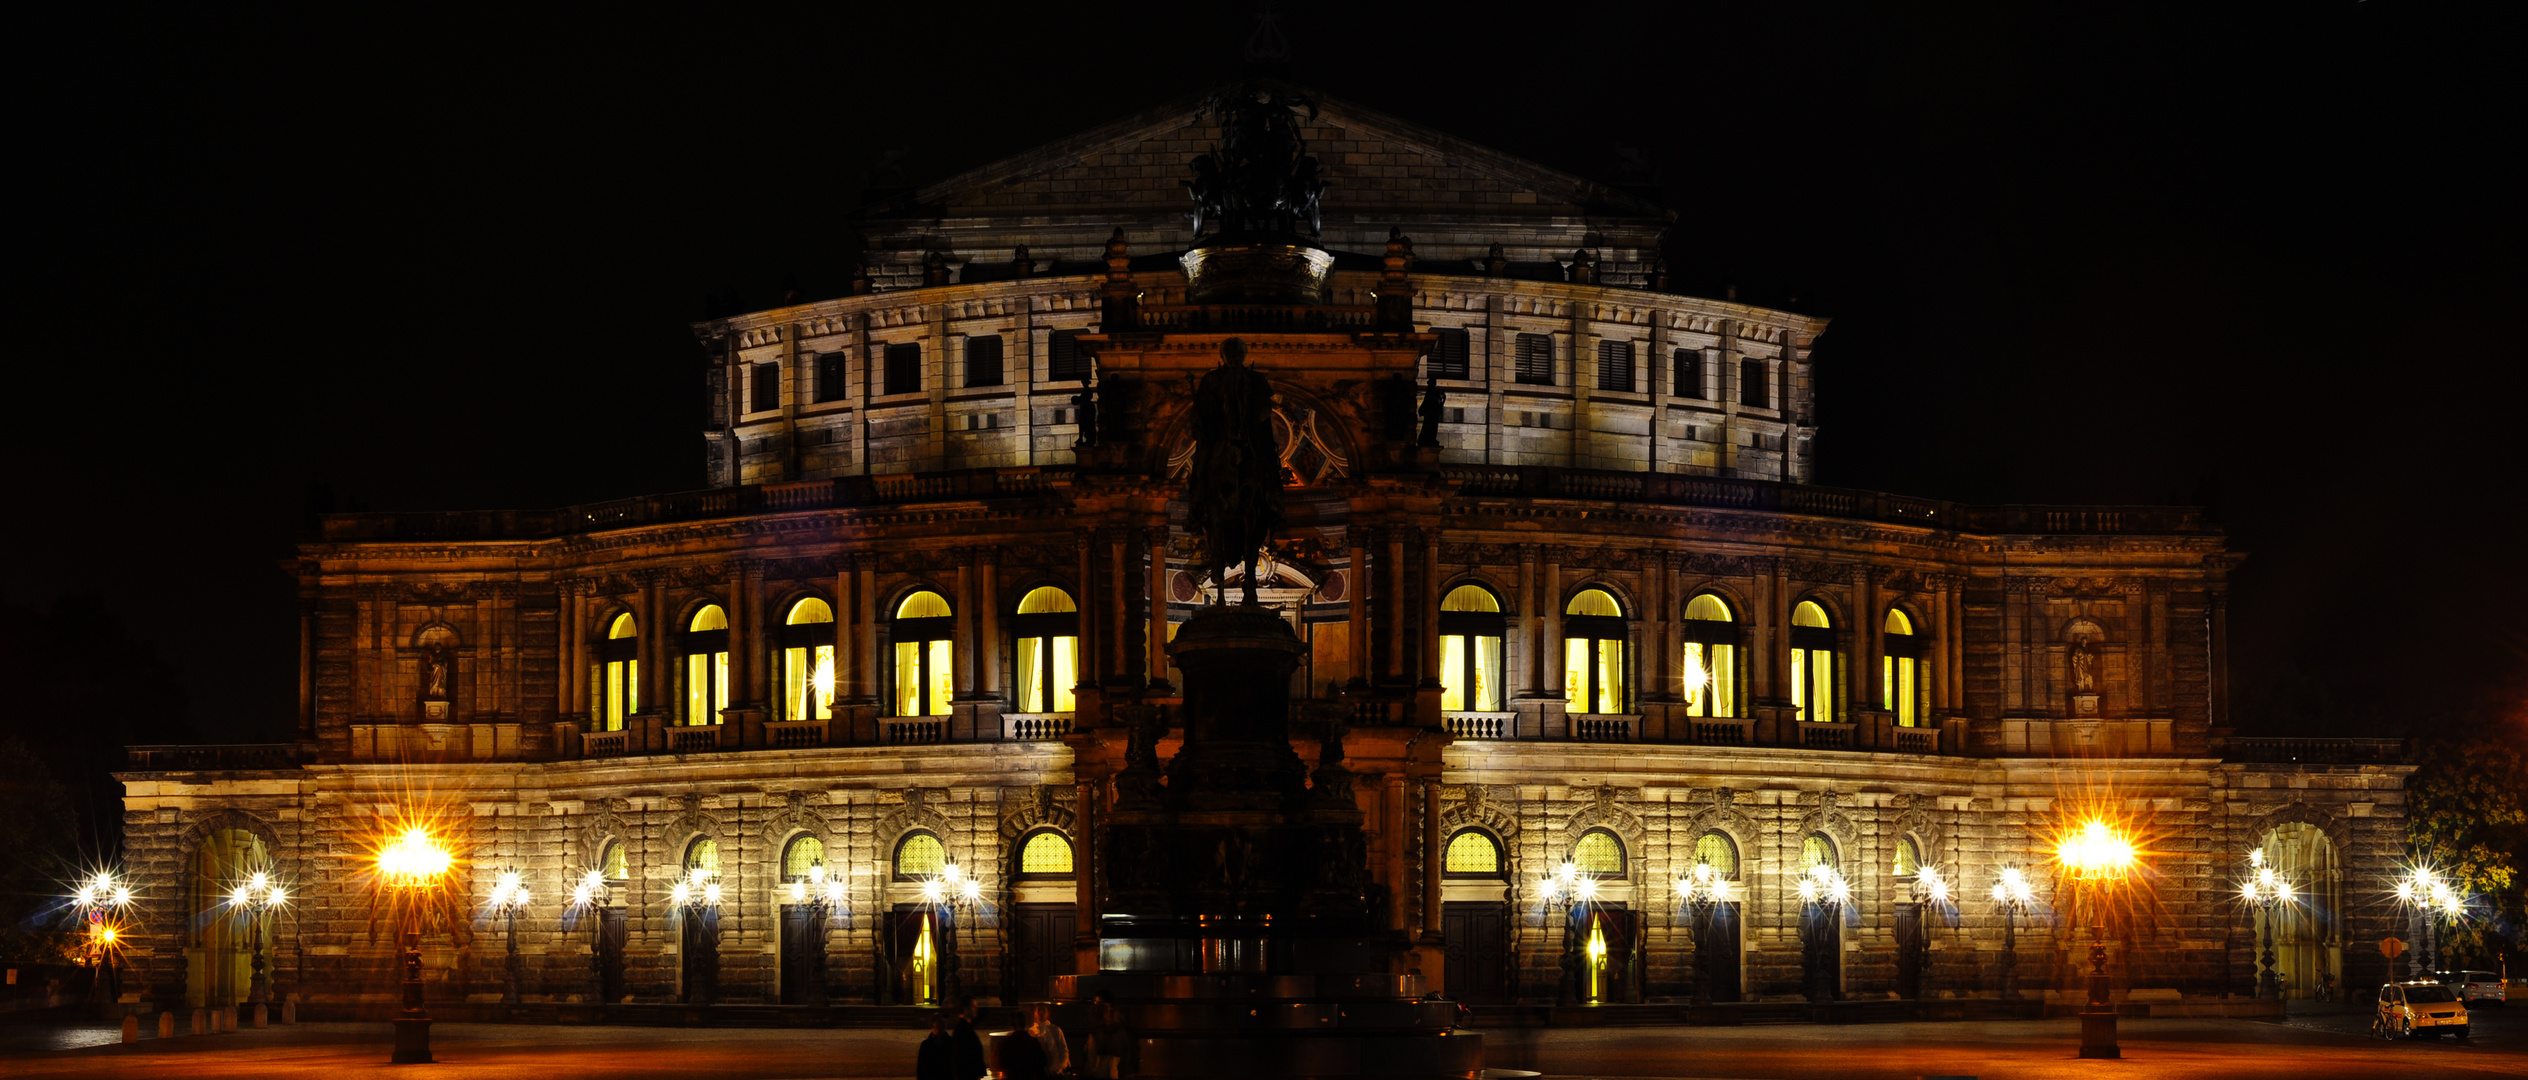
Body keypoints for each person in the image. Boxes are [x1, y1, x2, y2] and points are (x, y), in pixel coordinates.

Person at [949, 997, 987, 1080]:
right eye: (973, 1007)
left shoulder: (965, 1028)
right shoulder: (963, 1030)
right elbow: (964, 1055)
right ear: (966, 1009)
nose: (976, 1009)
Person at [1030, 1002, 1070, 1077]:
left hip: (1054, 1072)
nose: (1041, 1013)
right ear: (1035, 1013)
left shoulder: (1055, 1030)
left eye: (1043, 1010)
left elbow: (1064, 1051)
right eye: (1039, 1010)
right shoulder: (1031, 1032)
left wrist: (1058, 1069)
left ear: (1047, 1013)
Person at [916, 1012, 957, 1080]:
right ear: (933, 1027)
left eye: (943, 1024)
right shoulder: (926, 1045)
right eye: (939, 1024)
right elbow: (921, 1068)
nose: (943, 1024)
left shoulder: (951, 1042)